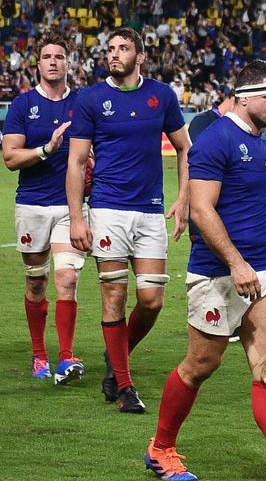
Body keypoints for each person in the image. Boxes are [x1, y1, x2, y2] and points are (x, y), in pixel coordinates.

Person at [144, 60, 266, 481]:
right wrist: (236, 262)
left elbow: (260, 211)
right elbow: (200, 208)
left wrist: (264, 257)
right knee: (201, 364)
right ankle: (161, 448)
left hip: (265, 270)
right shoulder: (215, 140)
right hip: (216, 272)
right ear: (243, 97)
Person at [66, 27, 192, 413]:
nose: (114, 54)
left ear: (140, 56)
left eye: (123, 48)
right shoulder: (91, 99)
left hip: (151, 209)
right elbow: (75, 161)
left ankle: (114, 354)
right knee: (114, 296)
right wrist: (76, 217)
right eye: (111, 48)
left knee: (151, 300)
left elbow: (186, 148)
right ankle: (124, 385)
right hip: (107, 209)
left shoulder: (162, 96)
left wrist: (184, 198)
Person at [2, 34, 87, 385]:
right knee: (36, 284)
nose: (53, 61)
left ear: (69, 63)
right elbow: (10, 158)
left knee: (67, 277)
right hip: (32, 205)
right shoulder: (22, 106)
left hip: (71, 206)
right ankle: (40, 355)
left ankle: (66, 357)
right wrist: (47, 150)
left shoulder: (82, 104)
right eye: (47, 56)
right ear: (37, 63)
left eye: (60, 56)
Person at [187, 91, 242, 344]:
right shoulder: (203, 122)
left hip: (231, 208)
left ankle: (236, 320)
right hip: (207, 206)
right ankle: (210, 321)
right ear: (231, 99)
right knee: (212, 262)